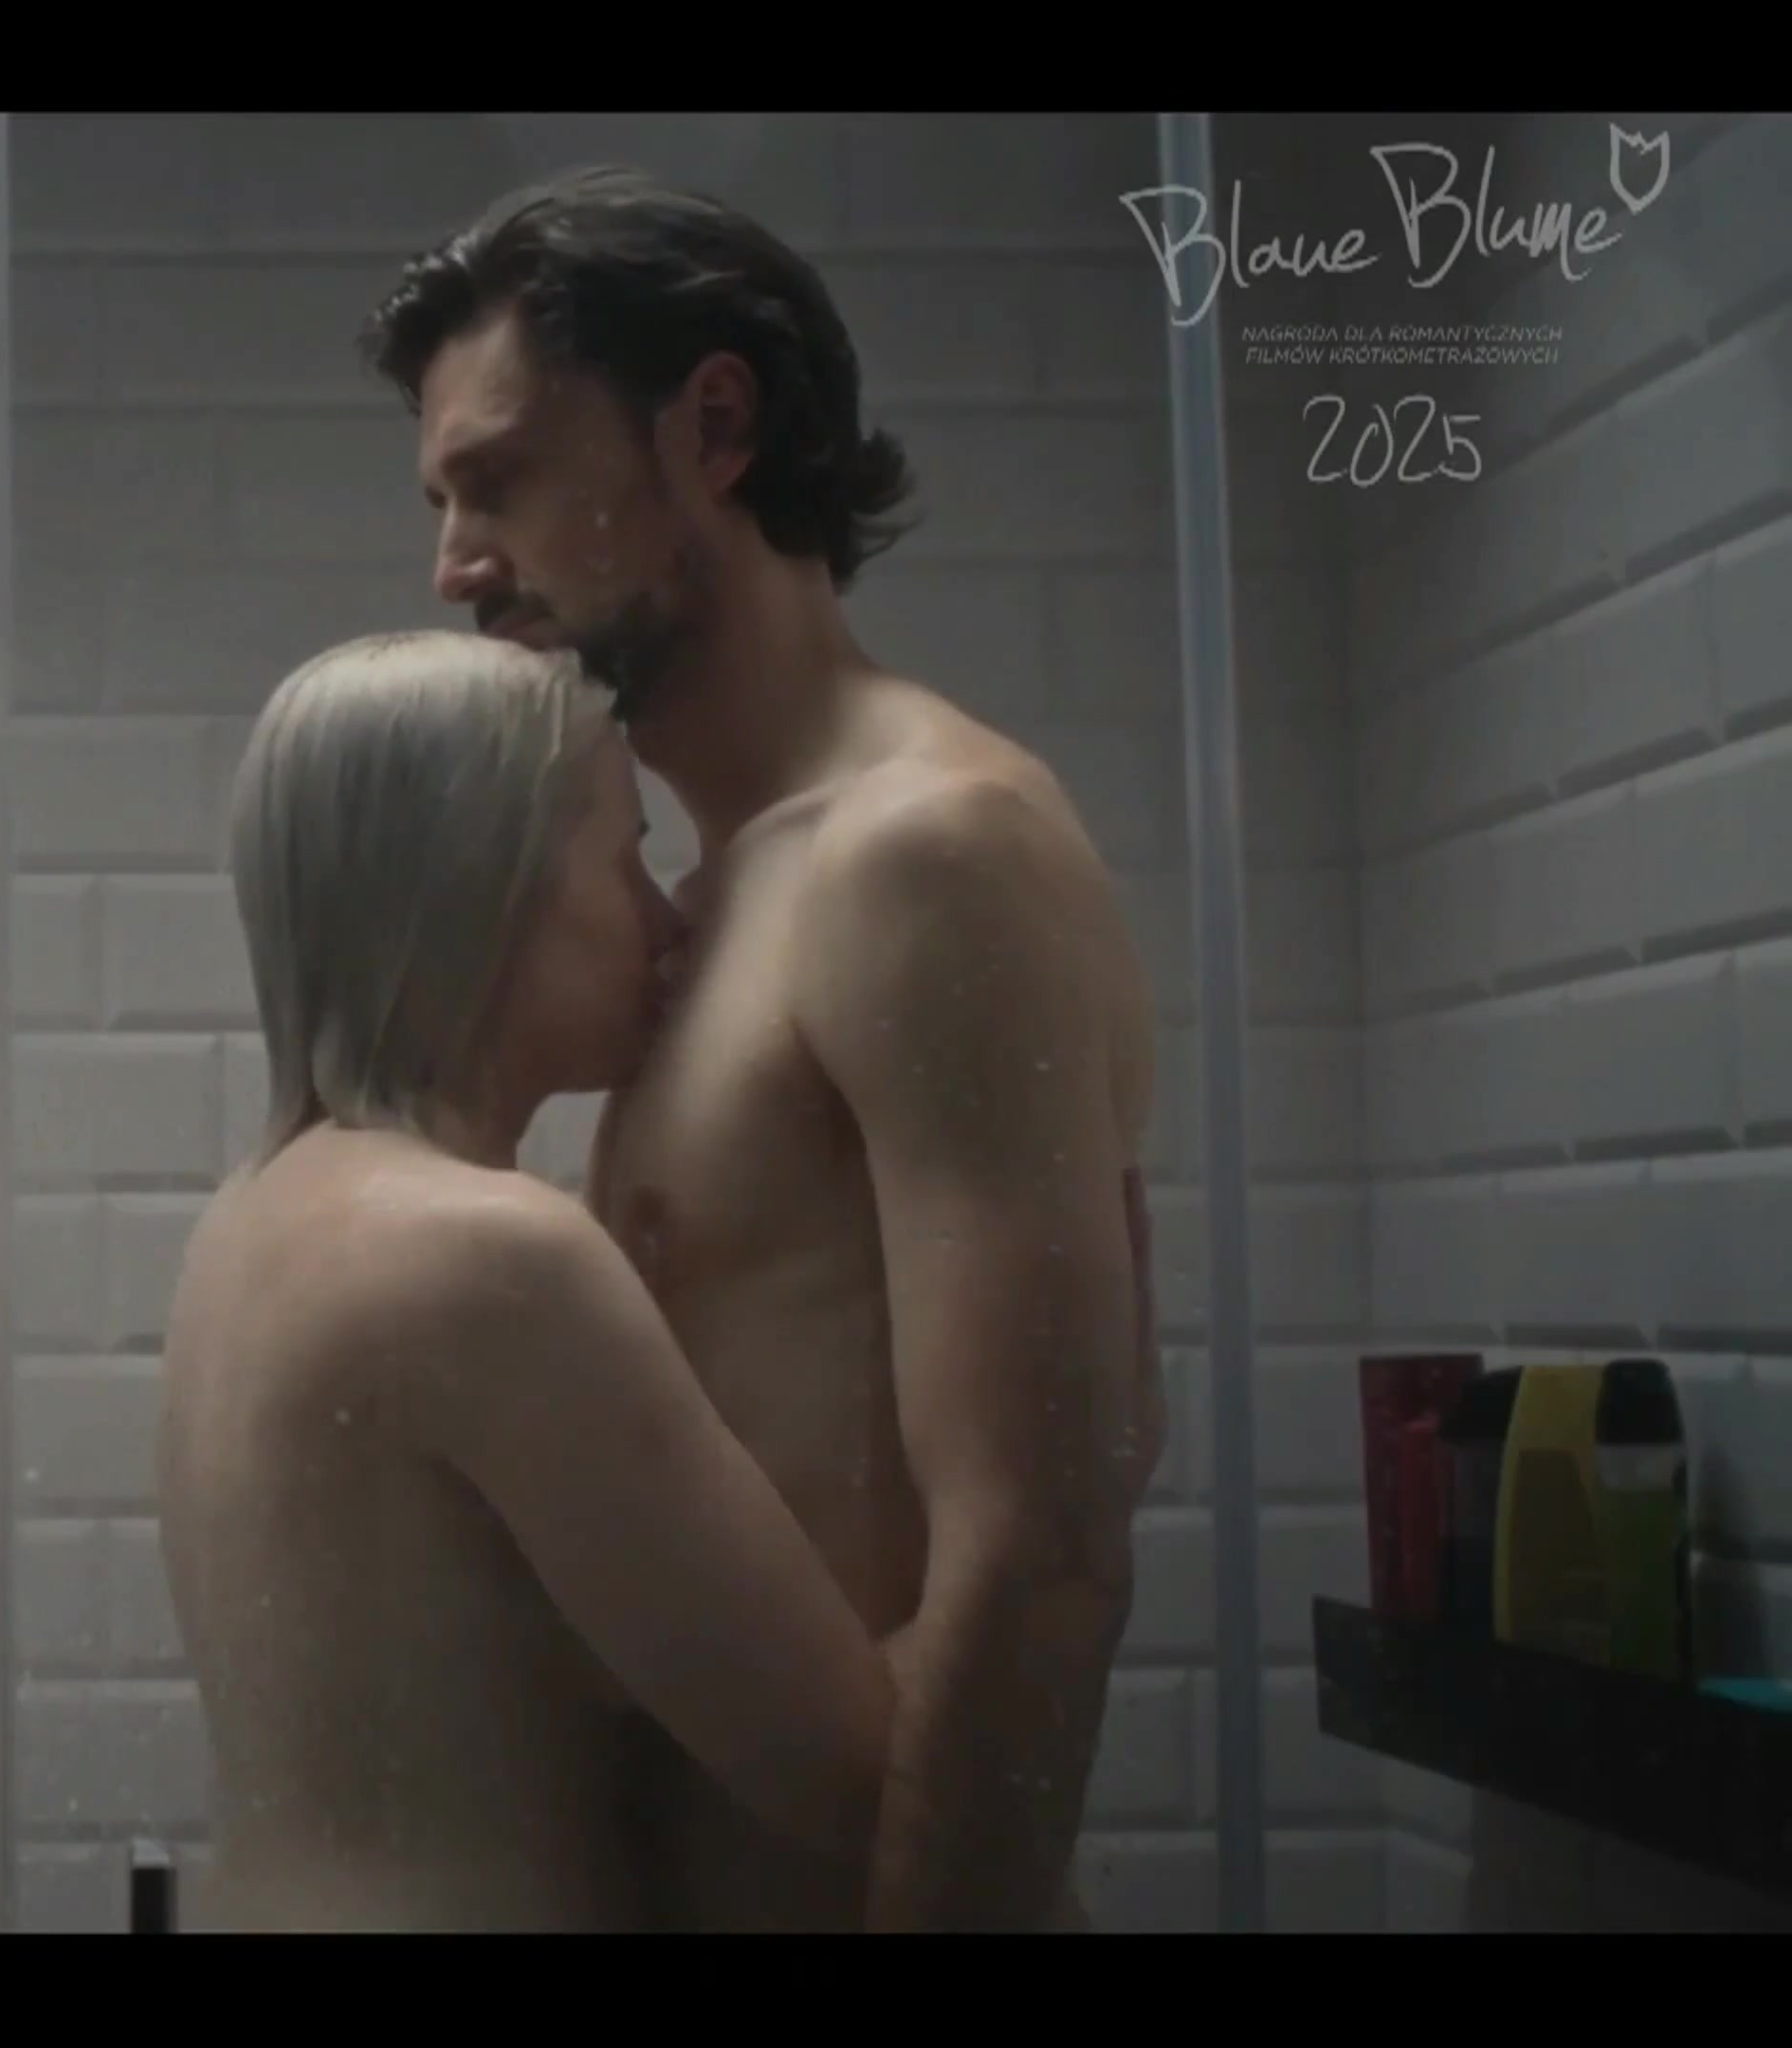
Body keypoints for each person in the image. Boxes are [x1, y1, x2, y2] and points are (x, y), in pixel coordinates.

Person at [354, 164, 1168, 1932]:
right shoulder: (719, 900)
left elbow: (1042, 1552)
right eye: (440, 499)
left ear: (712, 428)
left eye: (498, 478)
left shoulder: (926, 853)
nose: (454, 565)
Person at [156, 631, 916, 1932]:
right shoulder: (486, 1257)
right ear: (490, 883)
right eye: (623, 857)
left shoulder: (249, 1223)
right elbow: (852, 1779)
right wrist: (1070, 1478)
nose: (669, 917)